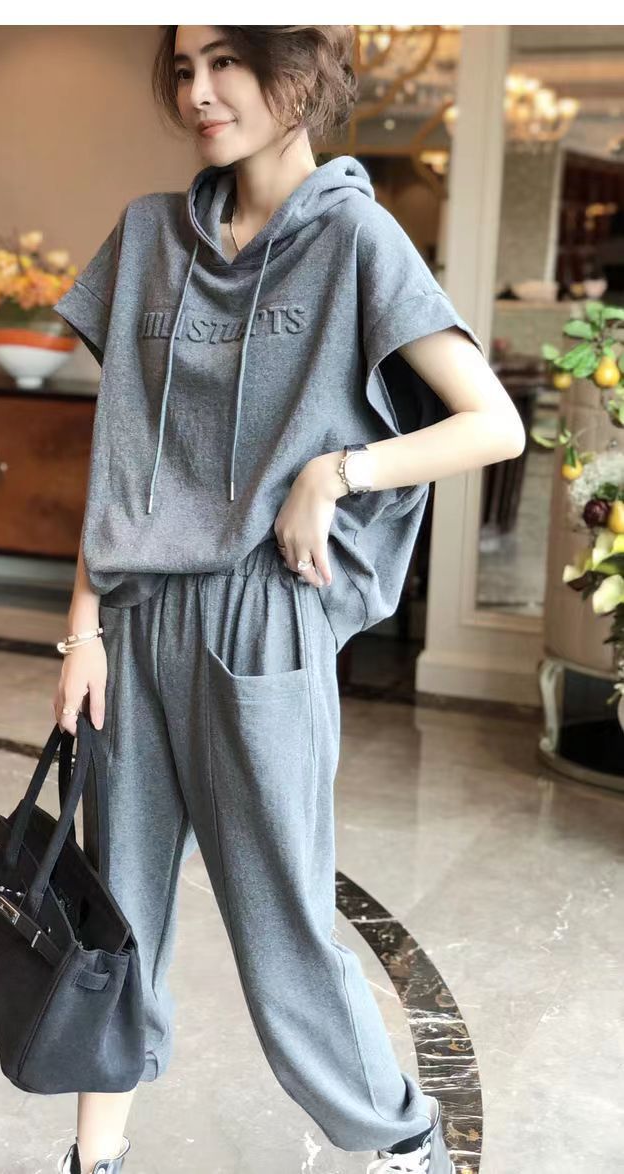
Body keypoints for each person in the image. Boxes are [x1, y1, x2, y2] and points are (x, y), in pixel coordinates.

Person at [50, 25, 524, 1174]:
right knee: (112, 911)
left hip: (261, 622)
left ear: (298, 73)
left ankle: (398, 1142)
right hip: (134, 622)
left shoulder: (356, 238)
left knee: (281, 929)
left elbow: (493, 423)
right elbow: (120, 457)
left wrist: (336, 471)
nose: (198, 91)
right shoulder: (149, 235)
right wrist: (81, 626)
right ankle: (92, 1160)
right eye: (182, 67)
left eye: (226, 61)